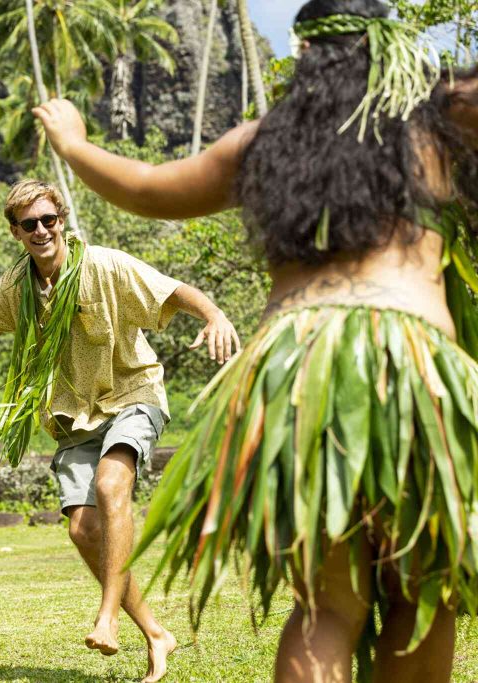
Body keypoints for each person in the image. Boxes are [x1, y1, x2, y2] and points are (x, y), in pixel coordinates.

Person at [32, 0, 478, 680]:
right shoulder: (437, 122)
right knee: (422, 596)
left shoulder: (265, 141)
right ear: (387, 47)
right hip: (408, 368)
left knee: (327, 603)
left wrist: (72, 143)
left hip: (296, 368)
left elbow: (150, 188)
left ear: (303, 58)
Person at [0, 179, 239, 681]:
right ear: (16, 232)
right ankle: (155, 632)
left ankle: (106, 617)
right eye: (29, 224)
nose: (41, 230)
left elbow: (174, 290)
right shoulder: (19, 290)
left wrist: (213, 315)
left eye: (48, 220)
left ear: (62, 220)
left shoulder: (103, 265)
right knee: (83, 528)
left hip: (133, 395)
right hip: (73, 417)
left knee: (110, 485)